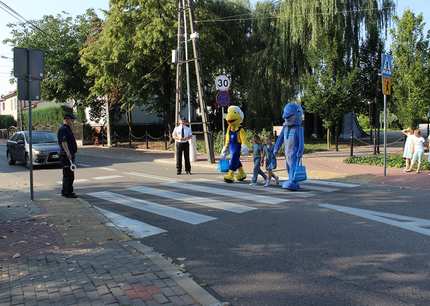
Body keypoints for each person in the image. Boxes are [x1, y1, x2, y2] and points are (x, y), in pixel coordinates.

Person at [58, 114, 78, 198]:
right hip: (66, 155)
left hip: (68, 155)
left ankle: (65, 191)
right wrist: (68, 153)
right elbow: (64, 142)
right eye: (72, 120)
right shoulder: (63, 129)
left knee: (69, 174)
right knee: (68, 175)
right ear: (67, 119)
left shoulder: (67, 128)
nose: (73, 121)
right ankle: (68, 192)